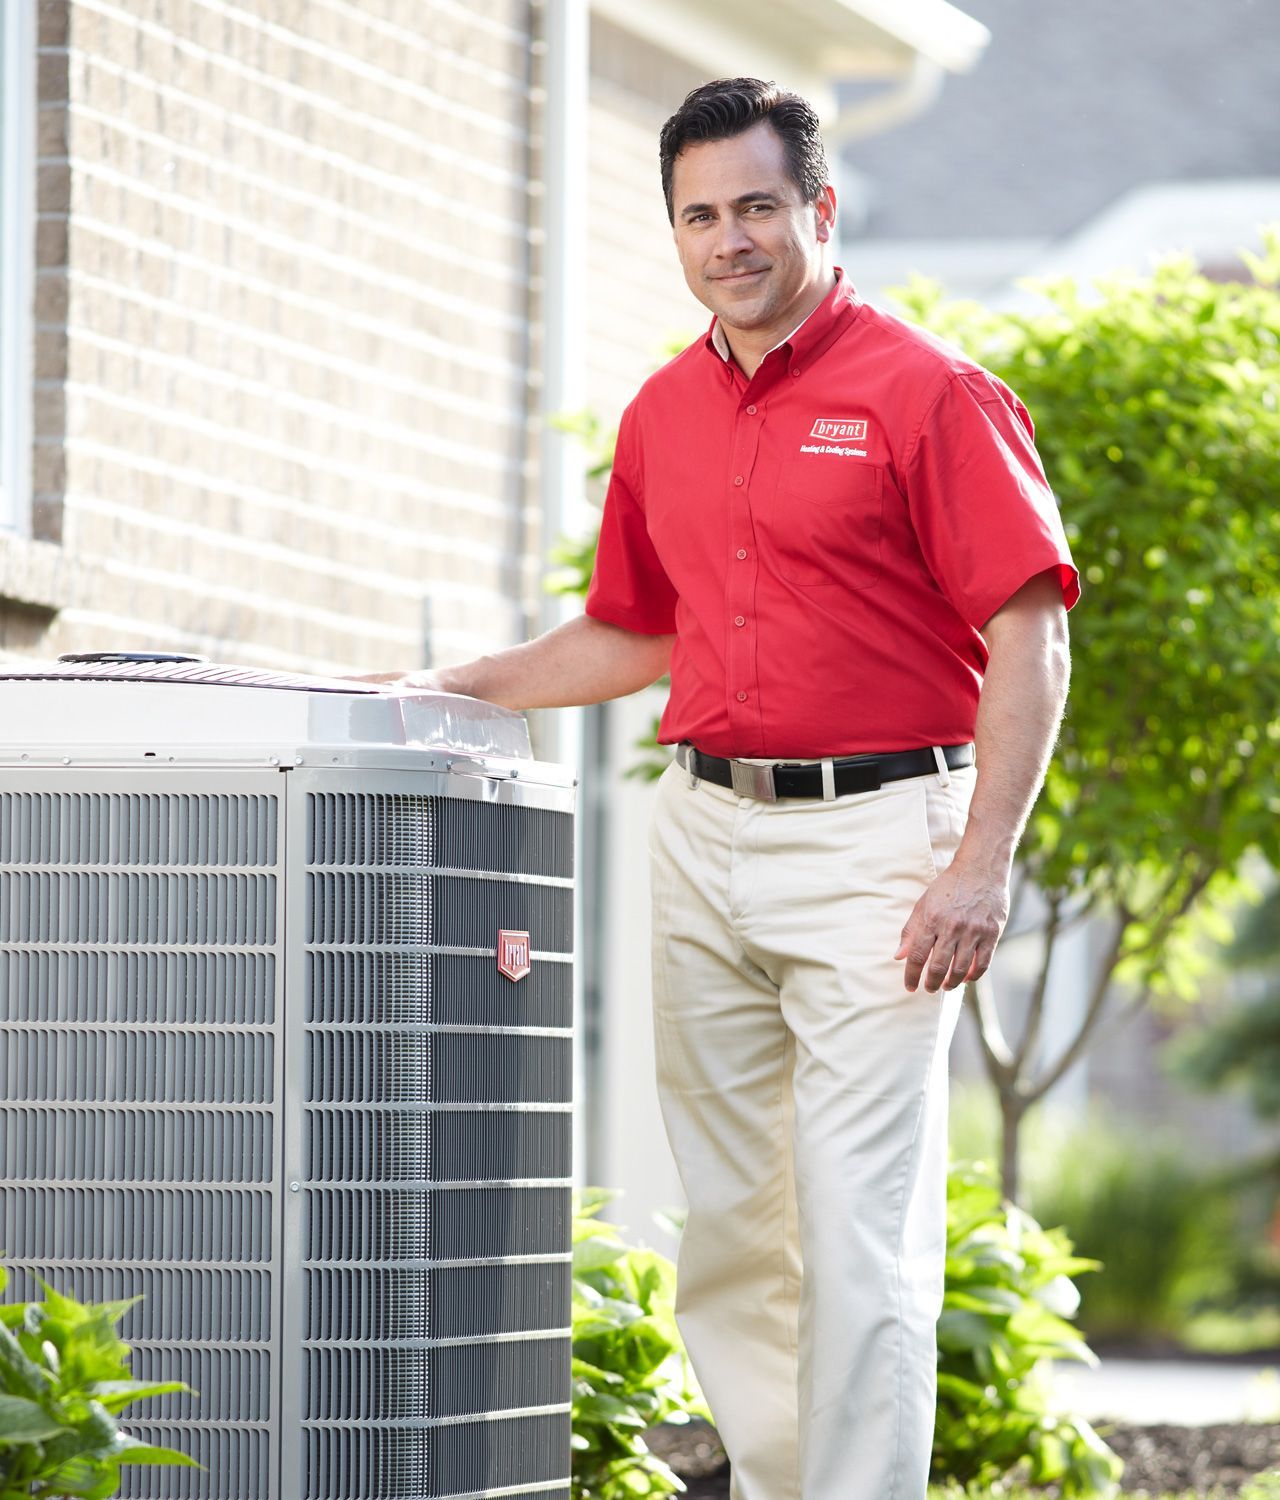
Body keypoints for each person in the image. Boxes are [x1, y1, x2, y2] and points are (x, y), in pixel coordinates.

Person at [364, 77, 1078, 1500]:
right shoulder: (663, 413)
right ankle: (785, 1480)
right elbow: (631, 631)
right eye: (701, 215)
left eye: (757, 206)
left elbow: (1029, 629)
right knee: (737, 1234)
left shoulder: (927, 393)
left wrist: (982, 861)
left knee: (858, 1228)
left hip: (888, 847)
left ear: (819, 207)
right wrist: (453, 688)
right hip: (702, 834)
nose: (729, 238)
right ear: (676, 233)